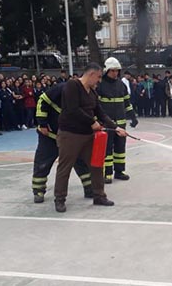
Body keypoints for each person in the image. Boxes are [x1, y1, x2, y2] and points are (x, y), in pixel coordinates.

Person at [54, 63, 127, 213]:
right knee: (65, 167)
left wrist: (115, 127)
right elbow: (73, 110)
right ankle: (60, 199)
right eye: (99, 77)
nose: (99, 81)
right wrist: (92, 122)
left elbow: (101, 113)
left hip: (88, 135)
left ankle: (99, 195)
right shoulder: (72, 86)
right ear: (91, 74)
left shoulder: (92, 92)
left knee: (96, 165)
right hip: (70, 135)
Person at [32, 82, 95, 203]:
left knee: (80, 162)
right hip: (50, 134)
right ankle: (38, 190)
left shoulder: (89, 94)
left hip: (70, 135)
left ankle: (89, 188)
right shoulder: (62, 89)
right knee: (43, 162)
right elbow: (42, 100)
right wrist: (42, 123)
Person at [97, 57, 138, 183]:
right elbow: (95, 105)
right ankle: (107, 173)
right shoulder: (100, 85)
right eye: (113, 71)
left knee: (120, 149)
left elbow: (127, 102)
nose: (115, 73)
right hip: (107, 124)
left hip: (121, 123)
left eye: (117, 71)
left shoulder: (121, 84)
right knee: (107, 149)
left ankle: (119, 172)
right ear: (107, 70)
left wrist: (132, 116)